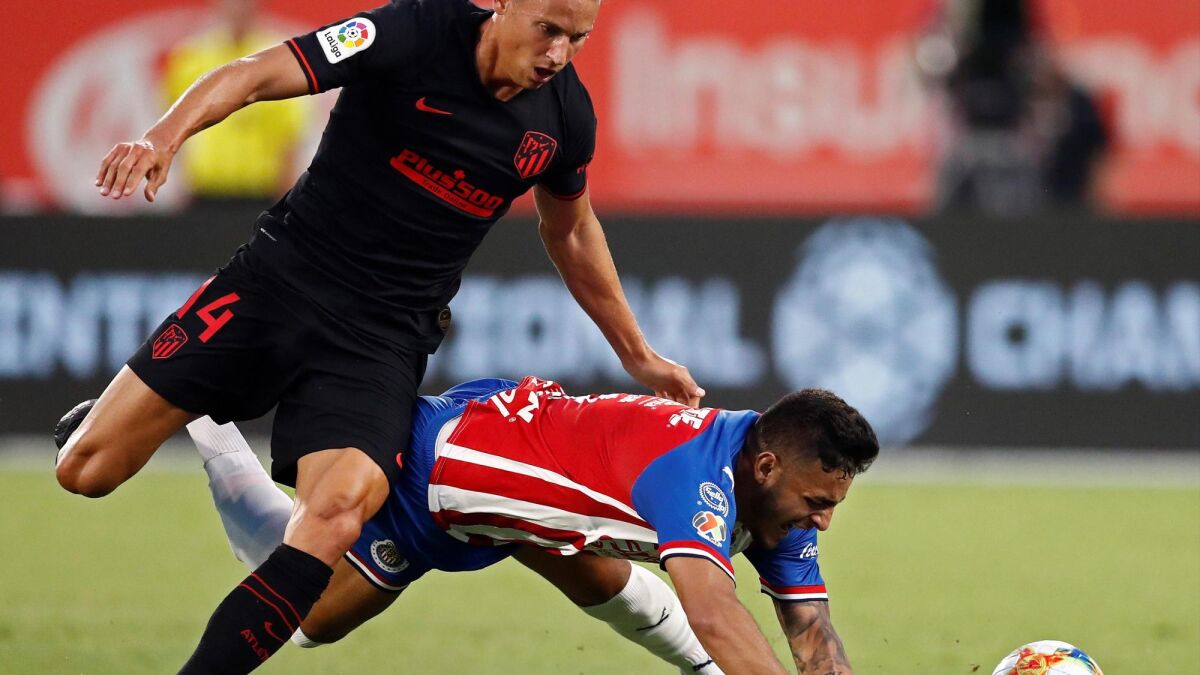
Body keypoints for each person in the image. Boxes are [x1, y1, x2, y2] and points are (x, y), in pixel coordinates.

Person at [55, 0, 701, 672]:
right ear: (505, 5)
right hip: (275, 285)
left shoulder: (564, 117)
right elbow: (253, 73)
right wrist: (162, 138)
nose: (558, 55)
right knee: (85, 470)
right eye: (549, 30)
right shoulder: (411, 30)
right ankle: (194, 414)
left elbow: (570, 229)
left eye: (578, 39)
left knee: (337, 513)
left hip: (379, 340)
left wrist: (638, 354)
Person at [186, 376, 879, 674]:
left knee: (604, 579)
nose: (821, 521)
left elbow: (811, 633)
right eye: (817, 501)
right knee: (310, 622)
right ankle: (219, 440)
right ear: (765, 466)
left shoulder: (780, 499)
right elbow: (715, 613)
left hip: (526, 461)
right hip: (446, 473)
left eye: (832, 504)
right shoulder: (696, 478)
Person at [162, 0, 309, 203]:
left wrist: (286, 194)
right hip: (204, 191)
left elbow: (289, 133)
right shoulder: (191, 57)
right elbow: (174, 126)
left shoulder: (278, 59)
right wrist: (177, 181)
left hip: (260, 191)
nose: (238, 6)